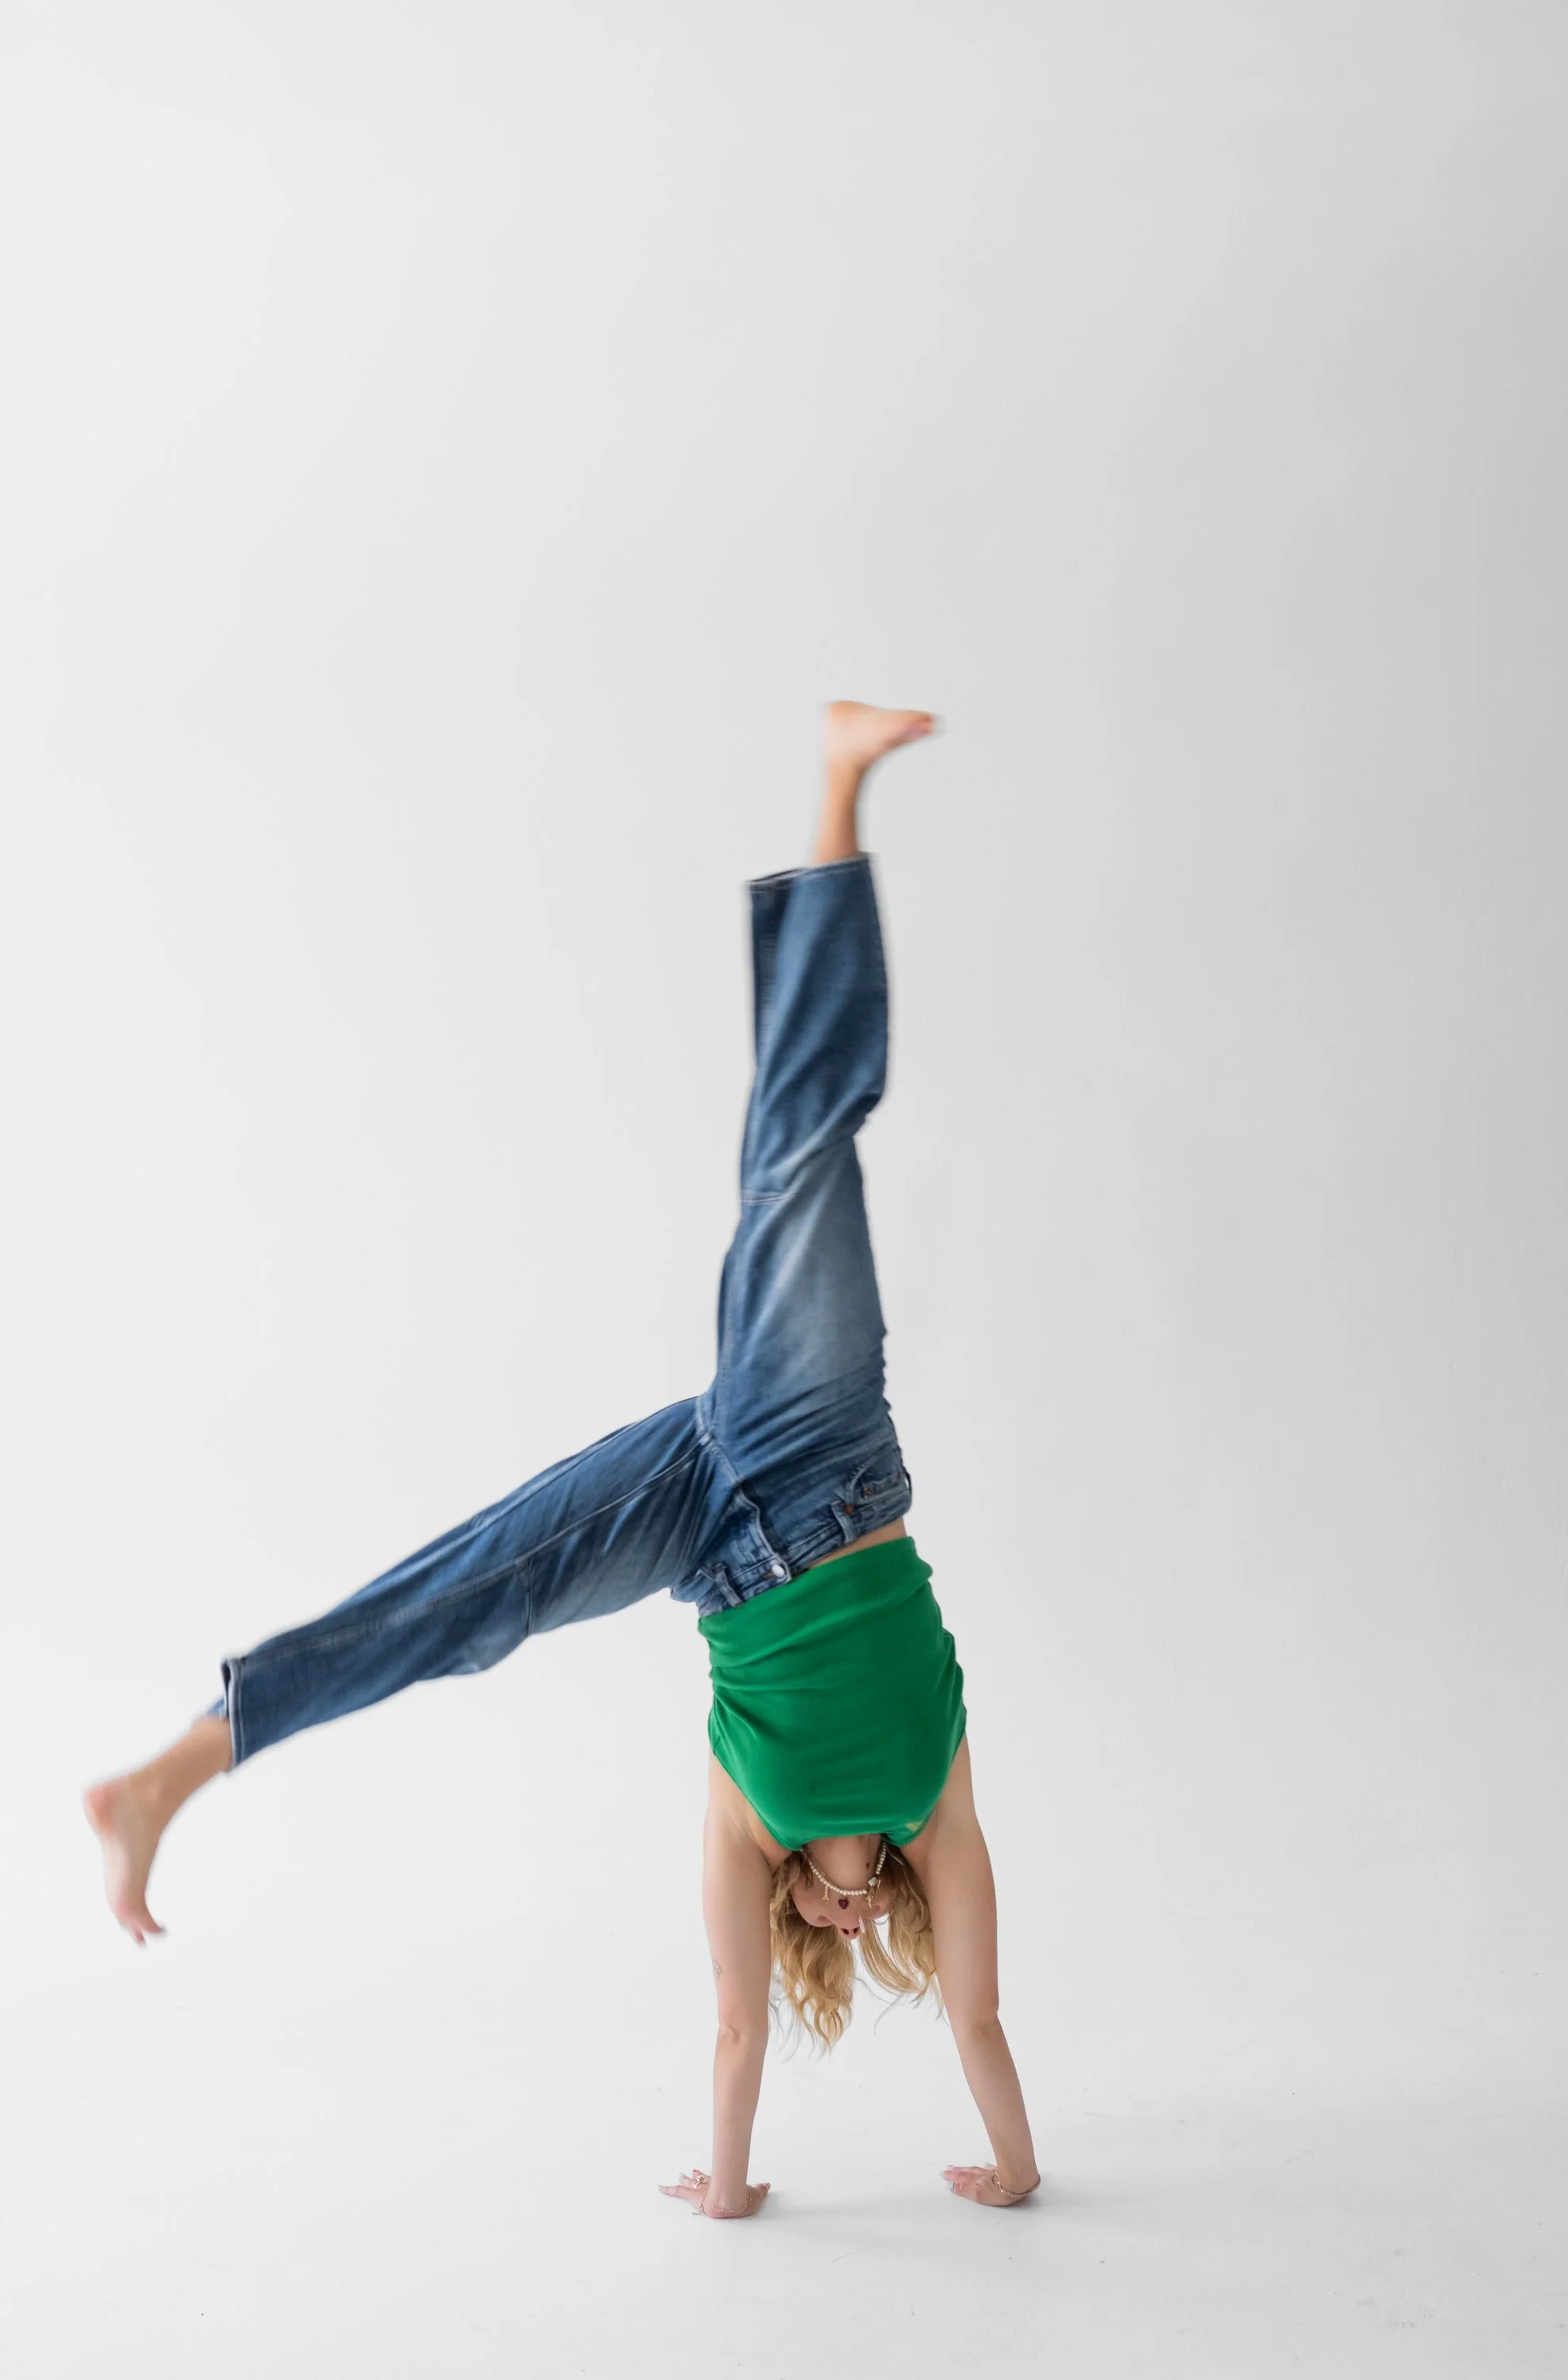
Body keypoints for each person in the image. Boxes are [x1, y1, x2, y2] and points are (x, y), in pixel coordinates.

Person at [82, 699, 1042, 2220]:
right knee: (803, 1147)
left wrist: (728, 2193)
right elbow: (980, 2022)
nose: (853, 1915)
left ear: (799, 1903)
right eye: (873, 1915)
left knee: (474, 1603)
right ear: (897, 1898)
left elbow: (737, 2036)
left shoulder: (752, 1824)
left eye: (831, 1915)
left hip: (700, 1533)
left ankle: (176, 1768)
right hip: (824, 1453)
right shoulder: (942, 1804)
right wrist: (1019, 2165)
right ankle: (842, 778)